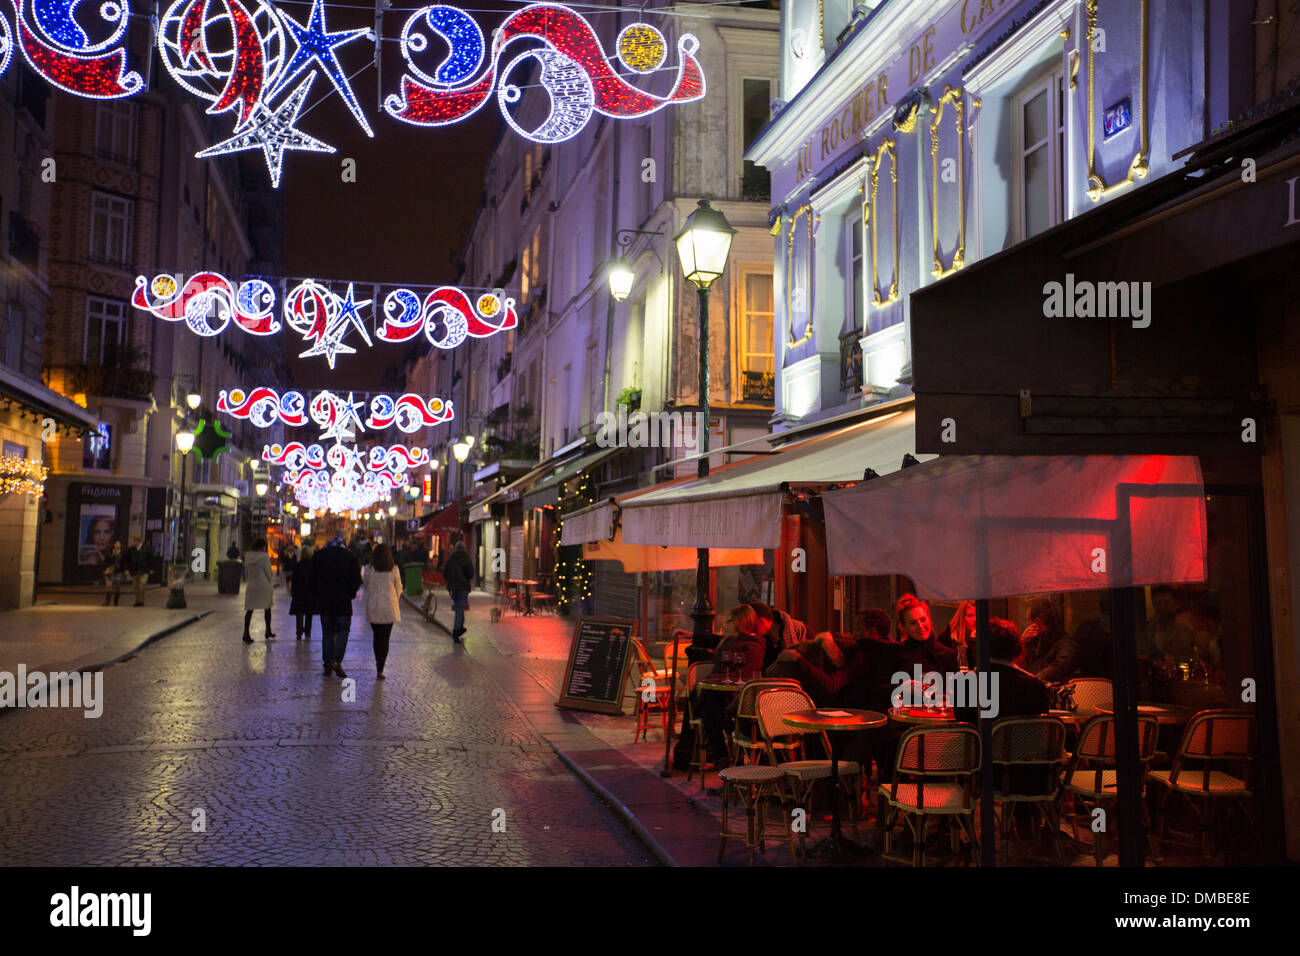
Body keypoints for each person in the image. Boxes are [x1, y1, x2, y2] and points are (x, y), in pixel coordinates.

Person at [313, 535, 363, 677]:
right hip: (343, 602)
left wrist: (317, 595)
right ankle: (336, 660)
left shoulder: (319, 556)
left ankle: (327, 664)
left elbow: (312, 578)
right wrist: (351, 593)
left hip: (325, 602)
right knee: (343, 631)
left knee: (327, 632)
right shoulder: (350, 557)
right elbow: (357, 580)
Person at [364, 543, 403, 679]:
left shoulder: (369, 570)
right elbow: (399, 589)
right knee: (385, 639)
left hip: (374, 608)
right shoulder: (394, 570)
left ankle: (377, 664)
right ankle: (381, 667)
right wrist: (393, 599)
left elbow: (366, 585)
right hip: (389, 609)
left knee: (377, 637)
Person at [1018, 596, 1078, 683]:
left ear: (1037, 621)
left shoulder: (1067, 644)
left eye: (1028, 619)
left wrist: (1031, 682)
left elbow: (1059, 667)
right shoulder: (1032, 640)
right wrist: (1021, 642)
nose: (1027, 624)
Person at [746, 602, 808, 670]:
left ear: (762, 622)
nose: (749, 630)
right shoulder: (760, 640)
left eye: (751, 625)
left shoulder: (799, 631)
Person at [442, 536, 475, 643]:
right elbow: (471, 574)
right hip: (463, 588)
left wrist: (449, 582)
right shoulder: (467, 559)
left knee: (459, 607)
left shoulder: (450, 559)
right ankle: (456, 631)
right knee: (459, 609)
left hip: (453, 589)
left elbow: (444, 573)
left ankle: (460, 627)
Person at [242, 538, 275, 643]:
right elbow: (269, 572)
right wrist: (270, 580)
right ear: (263, 547)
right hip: (264, 586)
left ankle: (246, 633)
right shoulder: (264, 557)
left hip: (252, 586)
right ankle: (268, 630)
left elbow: (246, 572)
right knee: (267, 608)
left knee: (249, 610)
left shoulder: (248, 556)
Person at [1139, 585, 1181, 657]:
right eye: (1158, 603)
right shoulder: (1149, 628)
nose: (1162, 607)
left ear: (1176, 604)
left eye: (1166, 603)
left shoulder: (1184, 626)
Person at [938, 600, 977, 668]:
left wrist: (973, 641)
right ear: (962, 618)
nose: (975, 619)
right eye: (970, 615)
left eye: (977, 615)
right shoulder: (948, 636)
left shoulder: (984, 635)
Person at [290, 544, 316, 640]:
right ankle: (308, 632)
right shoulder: (313, 566)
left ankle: (299, 632)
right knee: (309, 613)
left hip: (299, 593)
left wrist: (293, 591)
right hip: (310, 593)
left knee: (299, 613)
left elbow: (294, 580)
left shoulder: (297, 565)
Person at [125, 536, 151, 606]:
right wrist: (127, 569)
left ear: (137, 541)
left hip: (144, 571)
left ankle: (141, 602)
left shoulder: (146, 549)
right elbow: (127, 560)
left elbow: (150, 558)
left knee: (142, 586)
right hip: (134, 571)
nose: (132, 543)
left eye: (133, 541)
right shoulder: (131, 549)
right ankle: (137, 601)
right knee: (136, 587)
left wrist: (150, 569)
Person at [103, 540, 126, 606]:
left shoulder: (123, 553)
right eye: (116, 544)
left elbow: (124, 563)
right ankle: (107, 601)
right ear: (114, 545)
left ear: (121, 545)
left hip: (118, 571)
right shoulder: (109, 552)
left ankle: (116, 602)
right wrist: (107, 566)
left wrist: (124, 570)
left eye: (119, 544)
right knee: (108, 586)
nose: (117, 545)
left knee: (117, 587)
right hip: (109, 571)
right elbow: (105, 561)